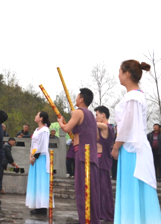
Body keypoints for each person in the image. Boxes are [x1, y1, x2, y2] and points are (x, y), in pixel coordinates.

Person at [112, 60, 161, 223]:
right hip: (133, 148)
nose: (118, 75)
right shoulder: (135, 95)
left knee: (131, 192)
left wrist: (115, 147)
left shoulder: (133, 97)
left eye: (119, 71)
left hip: (131, 150)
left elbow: (127, 127)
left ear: (127, 74)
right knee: (135, 192)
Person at [58, 88, 101, 224]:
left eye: (77, 96)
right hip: (91, 154)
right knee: (91, 190)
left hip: (82, 154)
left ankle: (85, 220)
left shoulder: (78, 112)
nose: (75, 98)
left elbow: (66, 128)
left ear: (81, 99)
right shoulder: (91, 116)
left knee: (82, 190)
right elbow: (97, 136)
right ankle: (92, 220)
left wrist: (61, 121)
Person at [26, 111, 52, 215]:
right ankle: (37, 205)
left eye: (37, 115)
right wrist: (30, 156)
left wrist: (35, 156)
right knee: (35, 180)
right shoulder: (37, 130)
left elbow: (43, 145)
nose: (35, 116)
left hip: (41, 157)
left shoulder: (45, 130)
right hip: (35, 157)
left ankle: (42, 207)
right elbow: (33, 145)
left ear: (41, 118)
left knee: (41, 181)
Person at [94, 105, 115, 222]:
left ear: (103, 115)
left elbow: (93, 124)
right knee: (99, 189)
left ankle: (108, 214)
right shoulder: (100, 128)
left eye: (97, 115)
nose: (95, 117)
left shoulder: (107, 127)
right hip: (98, 160)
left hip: (103, 161)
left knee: (104, 189)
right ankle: (101, 213)